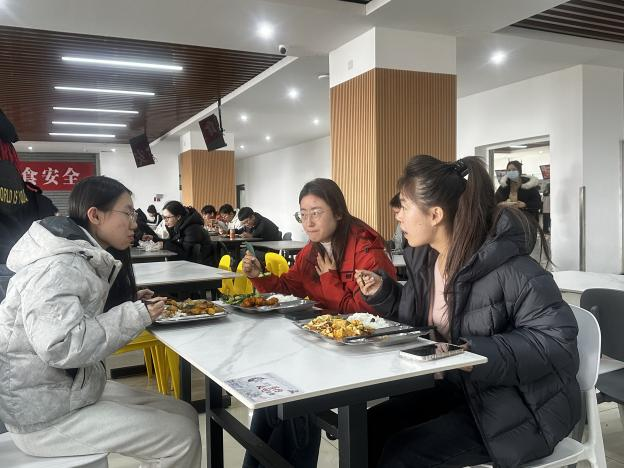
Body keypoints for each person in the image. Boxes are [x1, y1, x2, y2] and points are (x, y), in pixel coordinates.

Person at [355, 155, 580, 467]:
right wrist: (383, 293)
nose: (398, 215)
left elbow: (557, 342)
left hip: (519, 406)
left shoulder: (513, 268)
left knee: (402, 455)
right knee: (368, 429)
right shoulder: (428, 261)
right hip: (460, 390)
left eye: (404, 206)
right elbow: (420, 320)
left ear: (435, 214)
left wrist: (473, 353)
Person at [0, 176, 202, 467]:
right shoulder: (59, 264)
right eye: (128, 213)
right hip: (44, 414)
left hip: (70, 391)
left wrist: (129, 303)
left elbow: (71, 315)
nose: (135, 223)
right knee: (181, 436)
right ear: (95, 215)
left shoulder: (76, 255)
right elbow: (60, 345)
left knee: (184, 412)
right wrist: (134, 314)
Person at [241, 178, 397, 468]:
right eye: (303, 214)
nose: (308, 222)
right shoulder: (313, 249)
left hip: (363, 353)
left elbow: (366, 317)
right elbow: (291, 286)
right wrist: (259, 277)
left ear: (338, 212)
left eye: (316, 212)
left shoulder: (367, 249)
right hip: (325, 345)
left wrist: (328, 279)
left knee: (295, 400)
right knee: (271, 397)